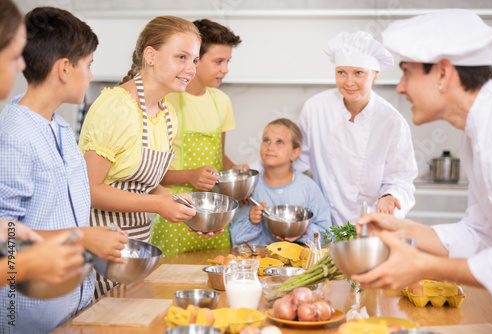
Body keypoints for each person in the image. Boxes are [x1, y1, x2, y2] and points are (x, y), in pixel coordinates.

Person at [352, 9, 492, 303]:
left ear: (443, 73)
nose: (400, 87)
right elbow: (482, 235)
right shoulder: (475, 131)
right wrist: (405, 229)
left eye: (407, 72)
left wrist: (425, 266)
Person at [0, 6, 128, 333]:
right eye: (89, 65)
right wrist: (82, 237)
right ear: (65, 69)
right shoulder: (14, 135)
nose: (92, 75)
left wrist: (94, 238)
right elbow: (6, 237)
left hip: (74, 306)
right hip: (29, 318)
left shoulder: (60, 128)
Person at [78, 16, 206, 297]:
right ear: (150, 55)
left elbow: (143, 185)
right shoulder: (117, 107)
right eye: (181, 57)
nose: (190, 69)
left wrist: (180, 207)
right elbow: (88, 190)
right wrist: (159, 205)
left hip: (135, 252)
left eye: (195, 60)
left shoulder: (166, 114)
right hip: (101, 250)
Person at [292, 31, 418, 226]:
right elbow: (296, 159)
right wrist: (256, 176)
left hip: (370, 227)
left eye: (359, 73)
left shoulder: (392, 122)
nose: (348, 82)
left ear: (376, 74)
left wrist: (390, 195)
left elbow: (401, 178)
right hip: (323, 224)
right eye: (341, 72)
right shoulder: (316, 108)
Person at [151, 19, 248, 256]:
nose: (225, 69)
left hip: (214, 215)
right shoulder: (167, 102)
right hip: (174, 212)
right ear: (195, 59)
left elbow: (219, 157)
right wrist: (190, 176)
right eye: (218, 62)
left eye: (227, 62)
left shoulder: (221, 102)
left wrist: (235, 169)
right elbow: (147, 172)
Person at [230, 118, 332, 245]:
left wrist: (304, 231)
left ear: (295, 153)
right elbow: (235, 238)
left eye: (280, 142)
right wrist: (252, 220)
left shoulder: (308, 188)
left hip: (300, 263)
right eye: (266, 140)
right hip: (262, 262)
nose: (270, 147)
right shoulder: (250, 188)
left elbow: (327, 232)